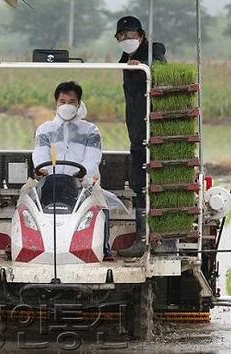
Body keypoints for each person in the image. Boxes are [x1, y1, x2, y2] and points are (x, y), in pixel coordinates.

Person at [32, 81, 114, 259]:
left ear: (78, 104)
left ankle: (104, 248)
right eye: (62, 101)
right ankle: (28, 244)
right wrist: (43, 171)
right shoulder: (44, 130)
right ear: (56, 103)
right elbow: (40, 156)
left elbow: (92, 159)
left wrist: (83, 176)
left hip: (82, 184)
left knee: (101, 203)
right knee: (25, 197)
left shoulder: (90, 131)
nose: (66, 105)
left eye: (71, 102)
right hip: (50, 182)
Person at [114, 16, 166, 258]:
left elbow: (157, 64)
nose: (126, 40)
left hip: (154, 130)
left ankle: (156, 239)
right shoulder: (124, 59)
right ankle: (141, 238)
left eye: (130, 35)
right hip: (136, 130)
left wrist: (143, 63)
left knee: (154, 182)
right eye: (121, 36)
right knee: (138, 181)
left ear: (142, 34)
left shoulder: (153, 50)